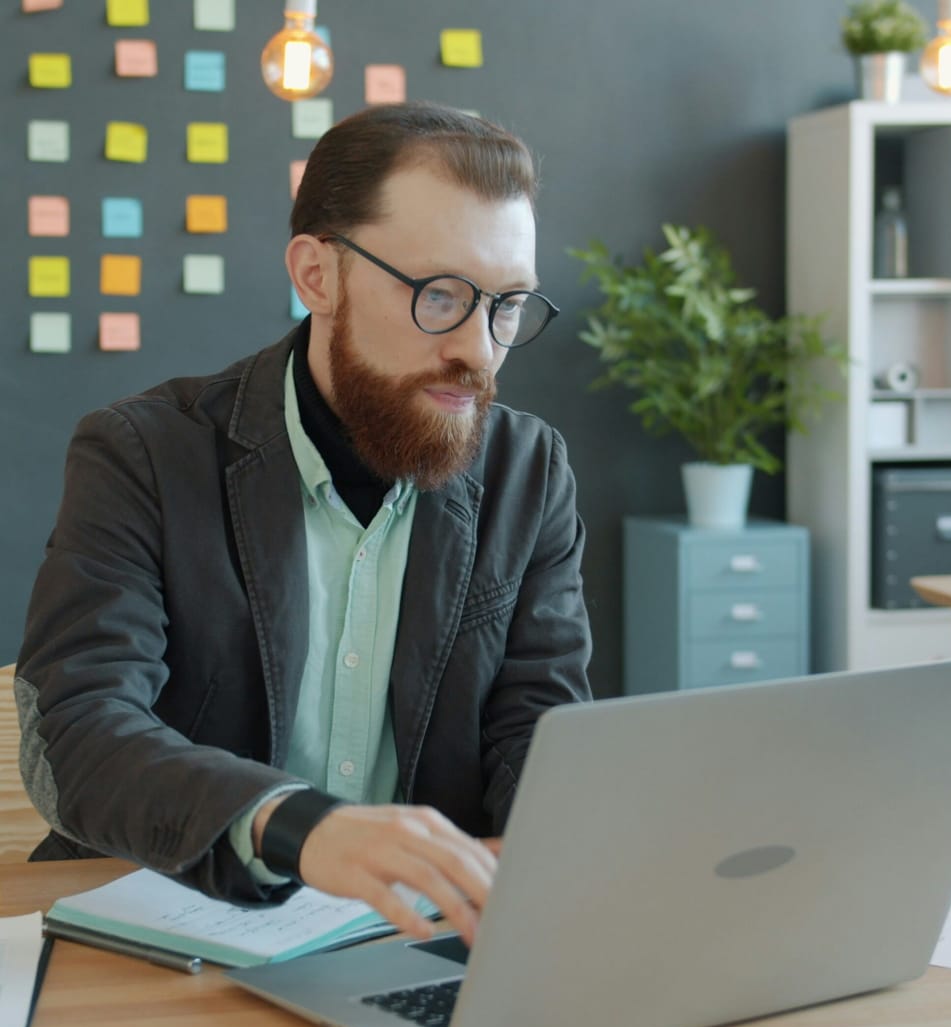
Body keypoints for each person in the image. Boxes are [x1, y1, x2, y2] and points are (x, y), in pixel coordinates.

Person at [16, 101, 591, 946]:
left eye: (507, 305)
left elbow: (537, 727)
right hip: (172, 937)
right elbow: (80, 735)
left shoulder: (528, 471)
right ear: (318, 275)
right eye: (441, 295)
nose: (478, 347)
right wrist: (298, 826)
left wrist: (578, 850)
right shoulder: (140, 454)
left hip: (414, 941)